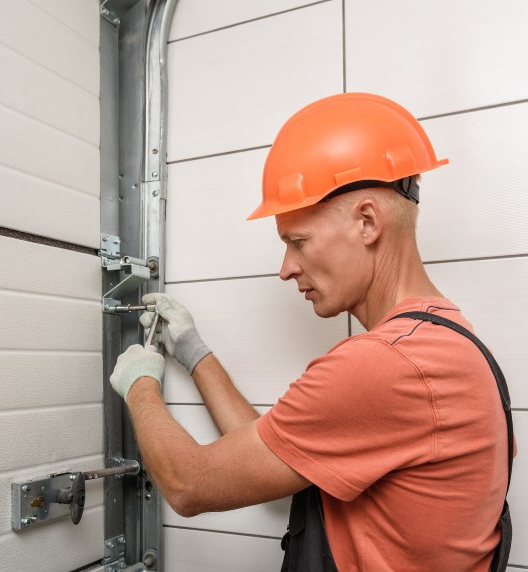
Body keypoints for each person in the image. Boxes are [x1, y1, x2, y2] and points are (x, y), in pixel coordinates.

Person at [110, 93, 511, 571]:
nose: (286, 269)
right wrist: (195, 354)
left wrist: (140, 385)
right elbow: (275, 446)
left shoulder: (384, 366)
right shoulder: (446, 342)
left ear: (367, 221)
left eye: (298, 242)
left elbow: (189, 484)